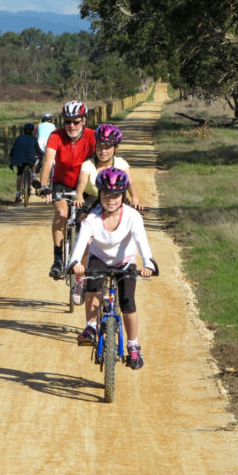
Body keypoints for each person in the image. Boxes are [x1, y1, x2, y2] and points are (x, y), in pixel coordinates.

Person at [68, 167, 158, 370]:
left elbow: (142, 243)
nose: (111, 199)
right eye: (106, 194)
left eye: (116, 195)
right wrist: (75, 263)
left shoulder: (132, 216)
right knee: (93, 288)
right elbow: (80, 244)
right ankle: (91, 326)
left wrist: (148, 264)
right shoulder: (92, 219)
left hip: (124, 261)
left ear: (123, 195)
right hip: (99, 258)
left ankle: (133, 344)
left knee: (128, 301)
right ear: (99, 194)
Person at [37, 100, 96, 278]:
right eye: (67, 122)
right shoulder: (56, 136)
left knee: (84, 223)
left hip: (84, 185)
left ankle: (82, 267)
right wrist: (44, 186)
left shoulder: (92, 136)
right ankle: (58, 259)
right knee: (61, 213)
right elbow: (48, 161)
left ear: (84, 120)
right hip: (61, 183)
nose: (71, 126)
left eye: (76, 122)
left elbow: (101, 161)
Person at [74, 123, 141, 214]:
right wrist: (79, 195)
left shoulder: (121, 163)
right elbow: (82, 181)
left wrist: (135, 198)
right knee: (81, 220)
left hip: (116, 200)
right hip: (92, 200)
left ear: (115, 148)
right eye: (99, 146)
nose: (103, 151)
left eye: (107, 147)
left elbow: (130, 182)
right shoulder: (88, 164)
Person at [8, 122, 43, 203]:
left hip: (19, 160)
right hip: (30, 159)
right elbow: (38, 150)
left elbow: (13, 150)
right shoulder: (34, 138)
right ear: (32, 131)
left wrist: (11, 156)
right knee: (34, 160)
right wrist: (41, 155)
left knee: (19, 174)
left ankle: (17, 194)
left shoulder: (18, 138)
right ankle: (33, 175)